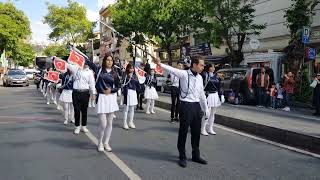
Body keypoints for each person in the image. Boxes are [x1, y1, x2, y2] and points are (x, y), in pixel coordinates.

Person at [153, 55, 209, 168]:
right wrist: (160, 64)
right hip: (186, 105)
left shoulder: (200, 77)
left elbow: (202, 94)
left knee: (196, 133)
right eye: (201, 65)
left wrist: (205, 108)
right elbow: (172, 69)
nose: (203, 67)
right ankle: (182, 156)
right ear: (194, 65)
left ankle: (195, 155)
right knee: (183, 132)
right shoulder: (184, 74)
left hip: (196, 106)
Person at [86, 54, 120, 152]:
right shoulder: (99, 70)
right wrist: (76, 52)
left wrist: (112, 90)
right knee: (103, 124)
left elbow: (119, 86)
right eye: (107, 60)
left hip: (111, 98)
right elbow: (89, 62)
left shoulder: (115, 73)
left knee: (109, 123)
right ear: (104, 61)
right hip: (101, 98)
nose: (109, 62)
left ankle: (106, 142)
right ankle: (100, 142)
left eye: (111, 60)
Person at [67, 60, 96, 134]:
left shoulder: (89, 72)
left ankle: (84, 126)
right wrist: (56, 59)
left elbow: (92, 83)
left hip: (85, 93)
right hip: (76, 92)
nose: (85, 65)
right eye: (84, 63)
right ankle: (77, 126)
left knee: (84, 111)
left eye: (86, 64)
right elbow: (68, 65)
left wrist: (93, 93)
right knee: (76, 110)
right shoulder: (76, 69)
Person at [201, 63, 222, 136]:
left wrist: (221, 95)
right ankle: (203, 129)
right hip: (208, 95)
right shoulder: (204, 75)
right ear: (208, 67)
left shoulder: (216, 76)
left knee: (213, 114)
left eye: (214, 67)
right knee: (207, 113)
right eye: (212, 67)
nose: (214, 68)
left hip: (215, 95)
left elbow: (219, 86)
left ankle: (210, 128)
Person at [122, 64, 139, 130]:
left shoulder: (135, 75)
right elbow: (123, 83)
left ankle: (130, 122)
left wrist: (137, 77)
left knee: (132, 108)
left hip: (133, 92)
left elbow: (137, 84)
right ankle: (124, 123)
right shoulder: (125, 75)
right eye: (130, 68)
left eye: (133, 68)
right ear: (128, 68)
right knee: (126, 108)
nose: (132, 69)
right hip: (127, 92)